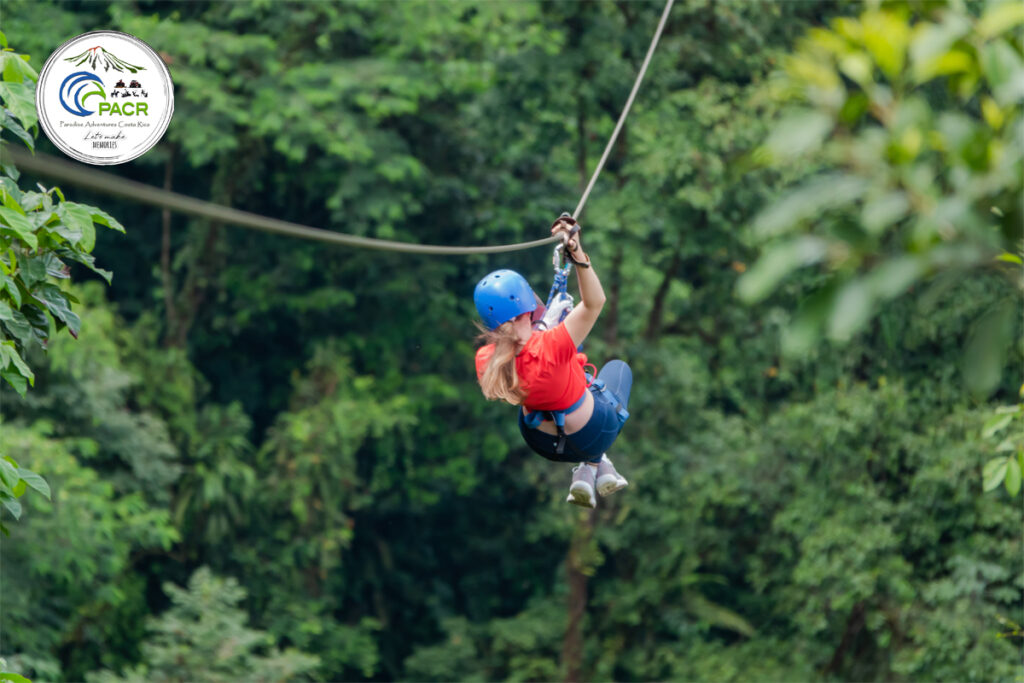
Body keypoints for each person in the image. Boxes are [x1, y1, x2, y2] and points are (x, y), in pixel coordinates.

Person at [473, 217, 633, 508]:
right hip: (589, 434)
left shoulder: (487, 360)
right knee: (617, 372)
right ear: (525, 307)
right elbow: (595, 302)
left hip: (541, 444)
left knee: (567, 389)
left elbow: (518, 347)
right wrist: (578, 254)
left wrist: (546, 325)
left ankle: (589, 469)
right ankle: (595, 462)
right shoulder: (553, 344)